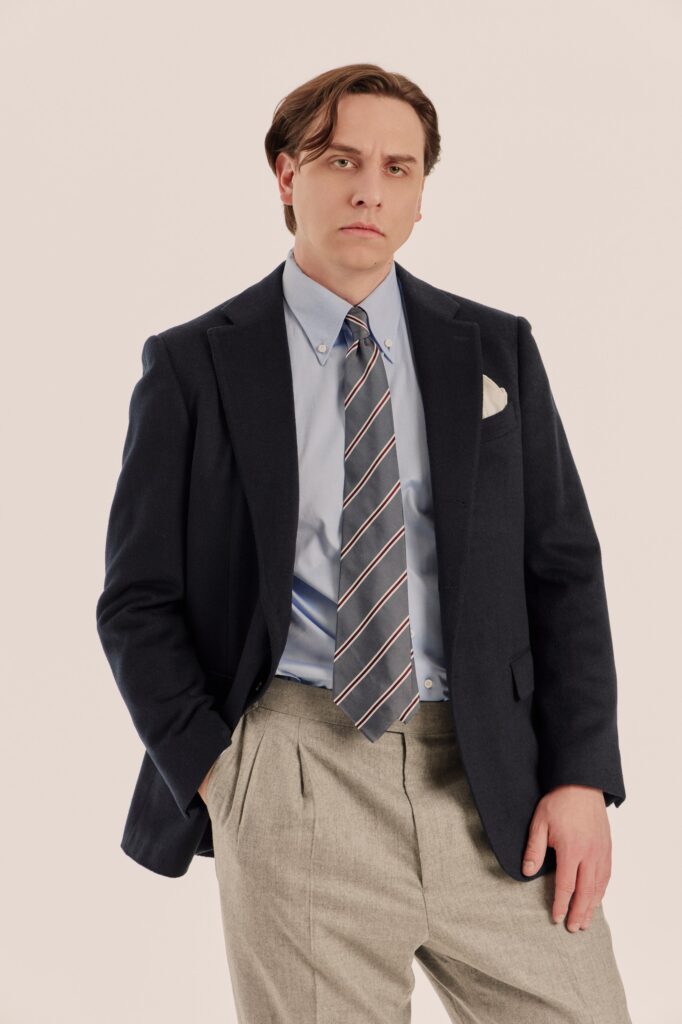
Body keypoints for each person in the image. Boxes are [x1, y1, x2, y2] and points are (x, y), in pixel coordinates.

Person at [96, 63, 632, 1022]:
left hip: (495, 778)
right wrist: (225, 776)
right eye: (341, 160)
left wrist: (581, 773)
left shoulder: (496, 348)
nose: (369, 191)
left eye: (399, 168)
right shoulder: (194, 364)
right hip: (298, 778)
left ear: (423, 193)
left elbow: (561, 570)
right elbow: (138, 598)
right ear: (286, 174)